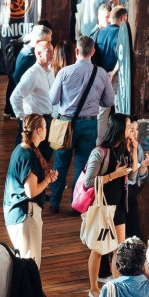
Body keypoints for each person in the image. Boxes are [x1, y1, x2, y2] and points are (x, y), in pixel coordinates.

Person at [48, 37, 115, 213]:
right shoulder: (100, 73)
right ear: (93, 52)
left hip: (65, 124)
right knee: (83, 165)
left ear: (77, 51)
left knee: (60, 165)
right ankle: (77, 204)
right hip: (90, 124)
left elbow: (53, 99)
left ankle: (54, 203)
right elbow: (108, 101)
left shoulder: (64, 72)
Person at [79, 112, 138, 297]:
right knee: (98, 249)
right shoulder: (100, 152)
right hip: (102, 206)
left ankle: (115, 286)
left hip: (118, 206)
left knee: (119, 250)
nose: (132, 130)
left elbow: (133, 176)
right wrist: (114, 175)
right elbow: (88, 182)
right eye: (129, 127)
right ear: (120, 129)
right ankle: (93, 288)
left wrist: (134, 151)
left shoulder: (124, 150)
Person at [3, 113, 51, 262]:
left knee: (24, 260)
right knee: (31, 263)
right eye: (44, 126)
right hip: (25, 214)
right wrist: (47, 180)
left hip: (15, 212)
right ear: (38, 130)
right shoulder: (28, 155)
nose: (46, 129)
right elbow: (31, 191)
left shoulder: (20, 149)